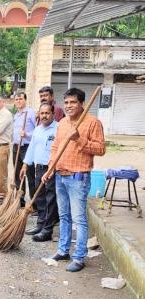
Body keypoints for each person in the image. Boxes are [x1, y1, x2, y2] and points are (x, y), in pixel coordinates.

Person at [44, 88, 105, 272]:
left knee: (79, 219)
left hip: (78, 177)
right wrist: (50, 167)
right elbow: (55, 147)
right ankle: (63, 250)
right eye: (67, 102)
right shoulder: (62, 123)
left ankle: (79, 257)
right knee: (63, 216)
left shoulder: (92, 122)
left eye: (73, 102)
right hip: (60, 176)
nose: (69, 106)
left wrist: (79, 139)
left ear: (82, 104)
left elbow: (100, 149)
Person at [20, 103, 59, 242]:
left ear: (52, 113)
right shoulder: (37, 130)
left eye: (47, 113)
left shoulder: (58, 128)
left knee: (50, 199)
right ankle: (40, 225)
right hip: (39, 168)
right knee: (40, 198)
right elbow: (31, 148)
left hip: (52, 169)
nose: (44, 116)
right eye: (42, 113)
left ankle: (47, 230)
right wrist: (25, 164)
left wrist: (52, 168)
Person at [12, 92, 37, 208]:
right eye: (16, 99)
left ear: (25, 100)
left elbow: (37, 131)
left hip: (27, 147)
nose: (18, 101)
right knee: (18, 174)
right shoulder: (16, 115)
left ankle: (34, 203)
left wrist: (27, 134)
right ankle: (20, 200)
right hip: (16, 146)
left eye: (20, 99)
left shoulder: (30, 113)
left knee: (30, 174)